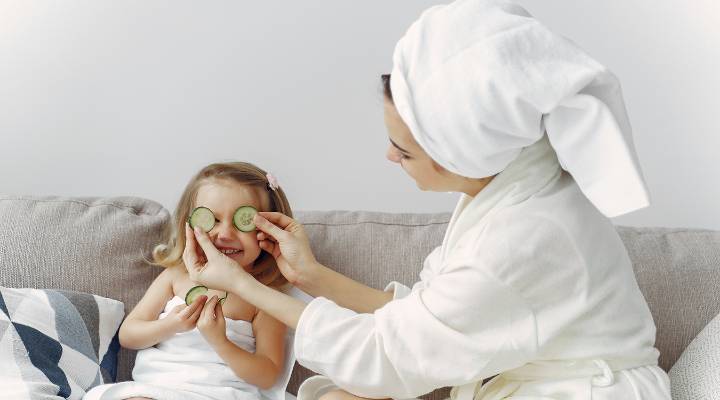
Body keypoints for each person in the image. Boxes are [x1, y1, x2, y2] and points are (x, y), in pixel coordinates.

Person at [183, 0, 672, 399]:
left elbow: (387, 354)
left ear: (458, 155)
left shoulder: (526, 234)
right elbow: (417, 319)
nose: (389, 158)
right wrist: (308, 275)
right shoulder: (510, 183)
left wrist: (243, 286)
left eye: (403, 150)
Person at [84, 162, 295, 400]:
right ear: (189, 224)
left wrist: (220, 341)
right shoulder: (176, 277)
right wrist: (170, 326)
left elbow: (267, 375)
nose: (225, 234)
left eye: (242, 221)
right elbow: (129, 336)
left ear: (268, 231)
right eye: (211, 220)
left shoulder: (264, 298)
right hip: (159, 392)